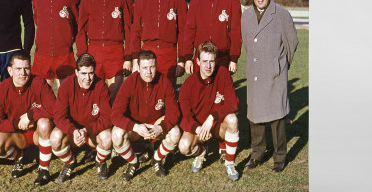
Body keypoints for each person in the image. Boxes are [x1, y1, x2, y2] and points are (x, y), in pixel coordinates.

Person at [183, 0, 242, 160]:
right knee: (203, 101)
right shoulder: (197, 0)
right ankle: (204, 138)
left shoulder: (232, 0)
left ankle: (223, 140)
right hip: (201, 60)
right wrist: (188, 57)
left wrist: (234, 58)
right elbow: (189, 30)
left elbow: (235, 32)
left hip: (223, 60)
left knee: (222, 100)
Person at [241, 0, 299, 173]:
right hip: (255, 71)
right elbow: (247, 43)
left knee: (277, 117)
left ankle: (279, 156)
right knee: (255, 116)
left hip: (275, 73)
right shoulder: (246, 16)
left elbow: (292, 44)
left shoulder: (282, 14)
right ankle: (257, 154)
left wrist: (279, 65)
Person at [0, 51, 57, 186]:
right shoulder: (2, 89)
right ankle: (19, 157)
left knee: (44, 122)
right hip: (18, 136)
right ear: (10, 70)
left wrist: (31, 115)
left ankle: (43, 169)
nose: (23, 73)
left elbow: (55, 109)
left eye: (26, 68)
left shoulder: (39, 82)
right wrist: (17, 123)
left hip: (38, 133)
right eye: (18, 69)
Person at [111, 50, 181, 180]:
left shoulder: (164, 81)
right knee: (116, 135)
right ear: (138, 68)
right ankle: (133, 162)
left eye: (152, 67)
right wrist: (135, 127)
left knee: (176, 132)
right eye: (144, 68)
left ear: (156, 66)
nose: (149, 72)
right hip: (136, 128)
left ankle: (157, 159)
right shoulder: (129, 83)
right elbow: (115, 114)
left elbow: (174, 112)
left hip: (156, 126)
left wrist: (161, 127)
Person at [178, 41, 241, 181]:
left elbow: (233, 103)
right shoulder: (188, 85)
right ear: (197, 61)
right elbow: (185, 117)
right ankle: (201, 153)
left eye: (211, 61)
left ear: (216, 61)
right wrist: (198, 128)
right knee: (183, 146)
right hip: (199, 130)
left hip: (217, 126)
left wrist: (212, 117)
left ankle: (230, 163)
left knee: (232, 119)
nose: (208, 66)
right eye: (204, 61)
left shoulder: (223, 73)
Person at [75, 0, 134, 103]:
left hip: (115, 52)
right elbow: (81, 29)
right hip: (93, 51)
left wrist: (128, 58)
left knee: (114, 99)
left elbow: (130, 30)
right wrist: (83, 55)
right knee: (94, 98)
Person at [50, 53, 113, 182]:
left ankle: (100, 162)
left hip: (91, 131)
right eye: (83, 73)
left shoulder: (101, 85)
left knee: (107, 138)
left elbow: (107, 118)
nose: (87, 78)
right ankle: (70, 162)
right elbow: (58, 116)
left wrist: (86, 130)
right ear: (76, 72)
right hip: (73, 132)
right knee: (55, 138)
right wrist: (73, 130)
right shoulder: (67, 85)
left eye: (91, 73)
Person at [131, 0, 188, 86]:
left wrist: (182, 60)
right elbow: (135, 31)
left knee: (168, 98)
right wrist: (135, 60)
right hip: (147, 54)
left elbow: (183, 32)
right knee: (147, 97)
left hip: (169, 55)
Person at [31, 0, 79, 91]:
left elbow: (77, 23)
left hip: (64, 54)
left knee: (67, 94)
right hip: (42, 54)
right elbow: (37, 20)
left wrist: (68, 39)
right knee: (42, 95)